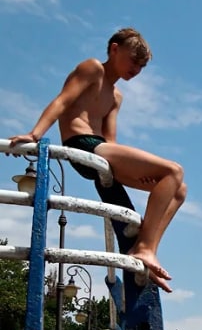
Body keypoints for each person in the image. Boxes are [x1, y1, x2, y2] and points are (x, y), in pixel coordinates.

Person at [7, 27, 186, 293]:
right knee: (173, 170)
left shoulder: (116, 97)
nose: (136, 69)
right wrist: (35, 134)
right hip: (82, 144)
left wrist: (135, 171)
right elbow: (62, 102)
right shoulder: (92, 69)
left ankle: (144, 247)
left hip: (103, 152)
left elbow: (111, 143)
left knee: (178, 189)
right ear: (114, 49)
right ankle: (146, 248)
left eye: (141, 66)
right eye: (133, 60)